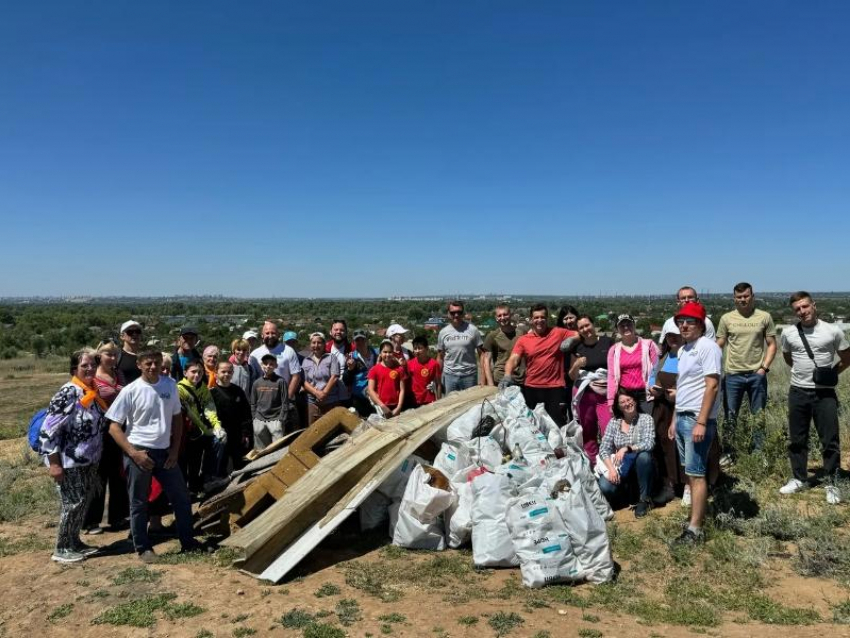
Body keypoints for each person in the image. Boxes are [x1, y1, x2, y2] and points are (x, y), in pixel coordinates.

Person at [105, 348, 200, 563]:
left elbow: (177, 418)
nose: (153, 367)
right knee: (138, 503)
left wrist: (175, 450)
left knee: (181, 498)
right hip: (139, 451)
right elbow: (114, 427)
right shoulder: (131, 390)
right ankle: (143, 547)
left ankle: (188, 541)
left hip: (165, 453)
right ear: (139, 365)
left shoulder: (169, 386)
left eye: (156, 362)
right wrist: (133, 453)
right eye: (148, 363)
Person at [778, 291, 850, 503]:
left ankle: (832, 482)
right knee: (797, 439)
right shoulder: (789, 333)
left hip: (824, 393)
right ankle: (799, 478)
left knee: (830, 439)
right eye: (797, 309)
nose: (802, 311)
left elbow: (846, 357)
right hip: (798, 391)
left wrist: (830, 374)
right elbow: (788, 356)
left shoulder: (832, 331)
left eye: (805, 306)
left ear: (814, 305)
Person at [38, 348, 107, 563]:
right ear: (74, 369)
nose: (90, 368)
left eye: (92, 365)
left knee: (82, 502)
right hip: (69, 461)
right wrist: (54, 463)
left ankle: (74, 541)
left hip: (88, 459)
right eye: (84, 365)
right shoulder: (69, 392)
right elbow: (48, 430)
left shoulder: (91, 391)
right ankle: (62, 547)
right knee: (72, 503)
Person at [671, 302, 722, 547]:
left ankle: (695, 530)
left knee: (697, 473)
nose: (684, 325)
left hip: (696, 419)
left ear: (701, 325)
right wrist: (674, 419)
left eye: (689, 321)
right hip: (682, 416)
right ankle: (696, 518)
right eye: (680, 321)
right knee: (690, 472)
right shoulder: (684, 350)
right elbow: (682, 387)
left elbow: (712, 385)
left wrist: (702, 421)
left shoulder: (707, 347)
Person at [715, 282, 777, 462]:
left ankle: (759, 452)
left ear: (752, 296)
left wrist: (764, 368)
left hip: (756, 375)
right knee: (730, 416)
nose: (742, 300)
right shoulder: (727, 319)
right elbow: (719, 345)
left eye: (746, 296)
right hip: (733, 375)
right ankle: (729, 452)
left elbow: (772, 344)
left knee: (758, 415)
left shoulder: (764, 317)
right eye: (739, 297)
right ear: (734, 299)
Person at [503, 303, 578, 425]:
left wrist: (572, 340)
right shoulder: (523, 340)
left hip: (555, 388)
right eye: (536, 317)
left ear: (547, 319)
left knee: (557, 425)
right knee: (534, 425)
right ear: (531, 320)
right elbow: (513, 359)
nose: (540, 320)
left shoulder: (558, 333)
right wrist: (507, 375)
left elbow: (579, 334)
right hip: (531, 388)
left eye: (542, 317)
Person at [83, 340, 129, 535]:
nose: (112, 357)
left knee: (119, 474)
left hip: (120, 430)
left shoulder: (119, 375)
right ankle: (91, 521)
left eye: (114, 354)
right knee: (99, 476)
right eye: (108, 353)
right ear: (98, 356)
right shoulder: (93, 377)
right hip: (100, 432)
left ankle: (117, 517)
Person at [596, 390, 656, 518]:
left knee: (644, 456)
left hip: (639, 465)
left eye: (629, 400)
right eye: (622, 402)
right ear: (618, 406)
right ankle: (623, 494)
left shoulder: (646, 419)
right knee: (605, 487)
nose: (627, 403)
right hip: (620, 467)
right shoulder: (614, 422)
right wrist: (611, 469)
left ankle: (644, 499)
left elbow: (649, 443)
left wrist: (627, 448)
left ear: (634, 400)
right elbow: (603, 448)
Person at [568, 315, 614, 464]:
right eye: (581, 328)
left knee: (608, 429)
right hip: (585, 396)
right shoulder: (577, 348)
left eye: (587, 325)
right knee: (588, 431)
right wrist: (577, 365)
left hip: (605, 395)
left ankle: (611, 463)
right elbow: (572, 375)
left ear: (593, 325)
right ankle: (593, 463)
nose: (585, 329)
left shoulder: (608, 342)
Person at [177, 360, 226, 491]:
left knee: (219, 441)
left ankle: (208, 478)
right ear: (185, 373)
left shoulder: (202, 387)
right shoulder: (179, 390)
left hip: (203, 430)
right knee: (193, 461)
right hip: (190, 433)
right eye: (193, 372)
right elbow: (190, 415)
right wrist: (207, 431)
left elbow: (209, 407)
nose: (197, 375)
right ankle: (191, 488)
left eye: (200, 372)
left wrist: (216, 426)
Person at [249, 321, 301, 432]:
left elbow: (296, 376)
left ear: (278, 335)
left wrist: (286, 399)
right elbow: (253, 380)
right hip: (264, 405)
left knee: (290, 437)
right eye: (267, 333)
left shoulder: (288, 351)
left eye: (273, 333)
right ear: (262, 335)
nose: (270, 336)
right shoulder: (254, 354)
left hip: (287, 402)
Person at [607, 314, 658, 415]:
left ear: (634, 325)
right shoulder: (614, 350)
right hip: (625, 395)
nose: (626, 327)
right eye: (622, 325)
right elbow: (611, 377)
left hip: (646, 395)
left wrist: (654, 387)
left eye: (629, 324)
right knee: (629, 428)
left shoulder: (649, 345)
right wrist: (611, 401)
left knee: (647, 426)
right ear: (617, 329)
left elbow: (657, 369)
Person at [210, 360, 253, 473]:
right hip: (221, 435)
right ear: (216, 373)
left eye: (229, 372)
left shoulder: (238, 391)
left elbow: (246, 414)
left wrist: (246, 433)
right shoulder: (211, 393)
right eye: (223, 371)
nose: (226, 374)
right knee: (221, 467)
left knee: (240, 466)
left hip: (237, 435)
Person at [437, 300, 485, 393]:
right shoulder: (443, 332)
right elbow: (440, 357)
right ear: (448, 314)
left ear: (463, 313)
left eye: (459, 312)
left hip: (469, 376)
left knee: (470, 405)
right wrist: (437, 377)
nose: (456, 315)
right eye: (453, 312)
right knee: (451, 404)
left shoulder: (473, 330)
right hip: (450, 376)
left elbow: (482, 354)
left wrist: (483, 377)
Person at [250, 353, 290, 449]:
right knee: (260, 449)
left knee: (277, 448)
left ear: (276, 366)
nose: (268, 366)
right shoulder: (256, 383)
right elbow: (253, 403)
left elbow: (285, 402)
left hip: (276, 419)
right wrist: (254, 418)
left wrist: (282, 419)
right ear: (261, 365)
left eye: (271, 364)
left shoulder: (280, 381)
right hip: (259, 419)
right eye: (265, 363)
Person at [302, 332, 341, 425]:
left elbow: (335, 376)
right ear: (310, 344)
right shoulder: (306, 360)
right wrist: (316, 393)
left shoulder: (331, 357)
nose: (316, 345)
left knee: (332, 428)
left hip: (330, 401)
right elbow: (303, 381)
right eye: (313, 343)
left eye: (319, 342)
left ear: (324, 344)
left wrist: (324, 394)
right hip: (313, 403)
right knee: (313, 431)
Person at [482, 305, 524, 387]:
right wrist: (490, 384)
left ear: (510, 315)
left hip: (519, 379)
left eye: (505, 314)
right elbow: (486, 361)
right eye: (499, 315)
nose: (502, 318)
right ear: (496, 318)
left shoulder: (521, 333)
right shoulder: (492, 336)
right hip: (500, 379)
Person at [368, 340, 407, 417]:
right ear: (380, 353)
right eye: (385, 352)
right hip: (381, 406)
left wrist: (399, 407)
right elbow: (370, 390)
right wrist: (382, 406)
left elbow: (402, 389)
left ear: (393, 353)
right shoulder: (374, 369)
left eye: (390, 352)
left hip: (396, 406)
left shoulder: (399, 369)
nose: (387, 354)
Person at [349, 330, 378, 417]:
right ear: (354, 342)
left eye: (362, 339)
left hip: (376, 396)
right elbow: (346, 380)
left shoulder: (376, 353)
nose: (360, 342)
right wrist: (350, 369)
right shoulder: (351, 357)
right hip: (359, 399)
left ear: (367, 340)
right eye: (357, 340)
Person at [407, 335, 442, 407]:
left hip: (429, 399)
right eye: (415, 348)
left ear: (427, 349)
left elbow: (438, 384)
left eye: (420, 348)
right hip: (414, 400)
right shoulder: (410, 363)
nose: (417, 351)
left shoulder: (434, 364)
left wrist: (439, 400)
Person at [327, 319, 353, 408]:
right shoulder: (325, 349)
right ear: (330, 332)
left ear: (345, 333)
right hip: (329, 396)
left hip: (347, 397)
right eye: (336, 330)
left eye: (342, 330)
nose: (338, 332)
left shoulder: (352, 348)